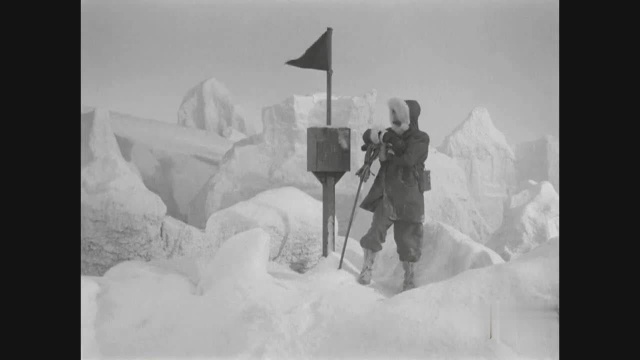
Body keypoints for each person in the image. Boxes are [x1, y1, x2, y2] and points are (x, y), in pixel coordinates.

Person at [357, 98, 430, 291]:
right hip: (388, 194)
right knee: (375, 232)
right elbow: (367, 136)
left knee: (408, 242)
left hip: (409, 198)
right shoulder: (390, 134)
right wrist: (379, 136)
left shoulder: (421, 138)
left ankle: (409, 279)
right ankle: (367, 269)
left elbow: (408, 159)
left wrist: (389, 143)